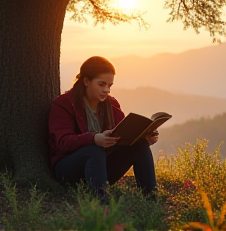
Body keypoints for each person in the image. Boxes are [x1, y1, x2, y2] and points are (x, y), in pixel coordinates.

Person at [48, 56, 158, 202]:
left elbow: (123, 135)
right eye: (101, 84)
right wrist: (94, 138)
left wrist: (143, 138)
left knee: (140, 146)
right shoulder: (63, 104)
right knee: (94, 149)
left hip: (102, 168)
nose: (106, 90)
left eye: (109, 86)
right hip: (70, 170)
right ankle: (102, 203)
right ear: (86, 81)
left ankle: (151, 199)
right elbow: (63, 142)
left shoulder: (111, 104)